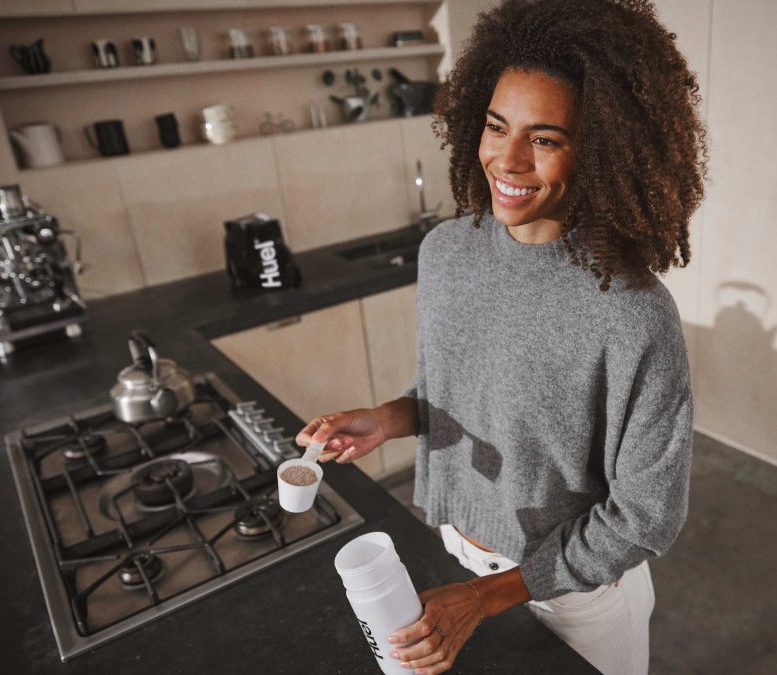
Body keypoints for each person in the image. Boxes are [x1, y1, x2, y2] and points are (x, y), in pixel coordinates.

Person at [296, 1, 707, 673]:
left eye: (544, 138)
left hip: (572, 601)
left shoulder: (632, 314)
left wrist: (487, 597)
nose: (506, 159)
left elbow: (644, 515)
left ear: (601, 150)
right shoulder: (447, 253)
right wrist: (388, 418)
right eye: (496, 125)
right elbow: (454, 389)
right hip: (454, 558)